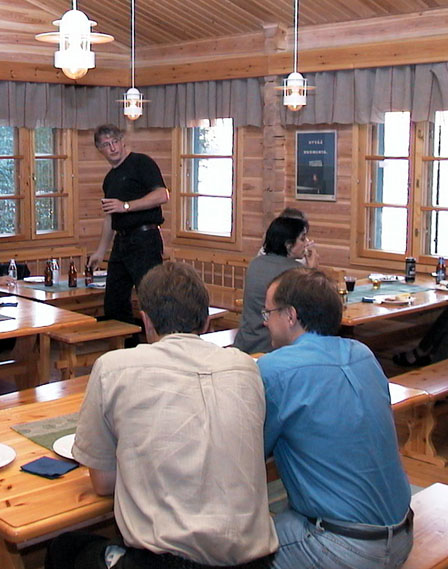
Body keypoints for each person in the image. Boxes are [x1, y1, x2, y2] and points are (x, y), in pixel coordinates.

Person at [45, 262, 278, 569]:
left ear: (146, 322)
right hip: (254, 561)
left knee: (65, 548)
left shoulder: (114, 367)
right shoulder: (246, 368)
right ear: (206, 322)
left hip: (167, 562)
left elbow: (103, 483)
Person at [259, 267, 413, 569]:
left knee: (235, 551)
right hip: (402, 532)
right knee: (290, 517)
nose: (265, 323)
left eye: (268, 314)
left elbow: (250, 450)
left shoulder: (275, 370)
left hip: (345, 546)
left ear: (290, 316)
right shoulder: (363, 354)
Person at [87, 124, 169, 327]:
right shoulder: (110, 179)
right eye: (106, 144)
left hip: (145, 239)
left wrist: (126, 206)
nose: (112, 148)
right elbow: (110, 218)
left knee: (151, 296)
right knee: (114, 302)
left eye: (115, 142)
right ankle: (127, 347)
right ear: (100, 149)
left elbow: (162, 195)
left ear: (123, 141)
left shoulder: (141, 163)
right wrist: (100, 251)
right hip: (122, 242)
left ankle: (159, 346)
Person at [234, 215, 317, 354]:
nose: (307, 243)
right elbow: (313, 306)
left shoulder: (255, 263)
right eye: (302, 239)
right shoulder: (295, 272)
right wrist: (312, 270)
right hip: (273, 347)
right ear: (288, 245)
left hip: (245, 342)